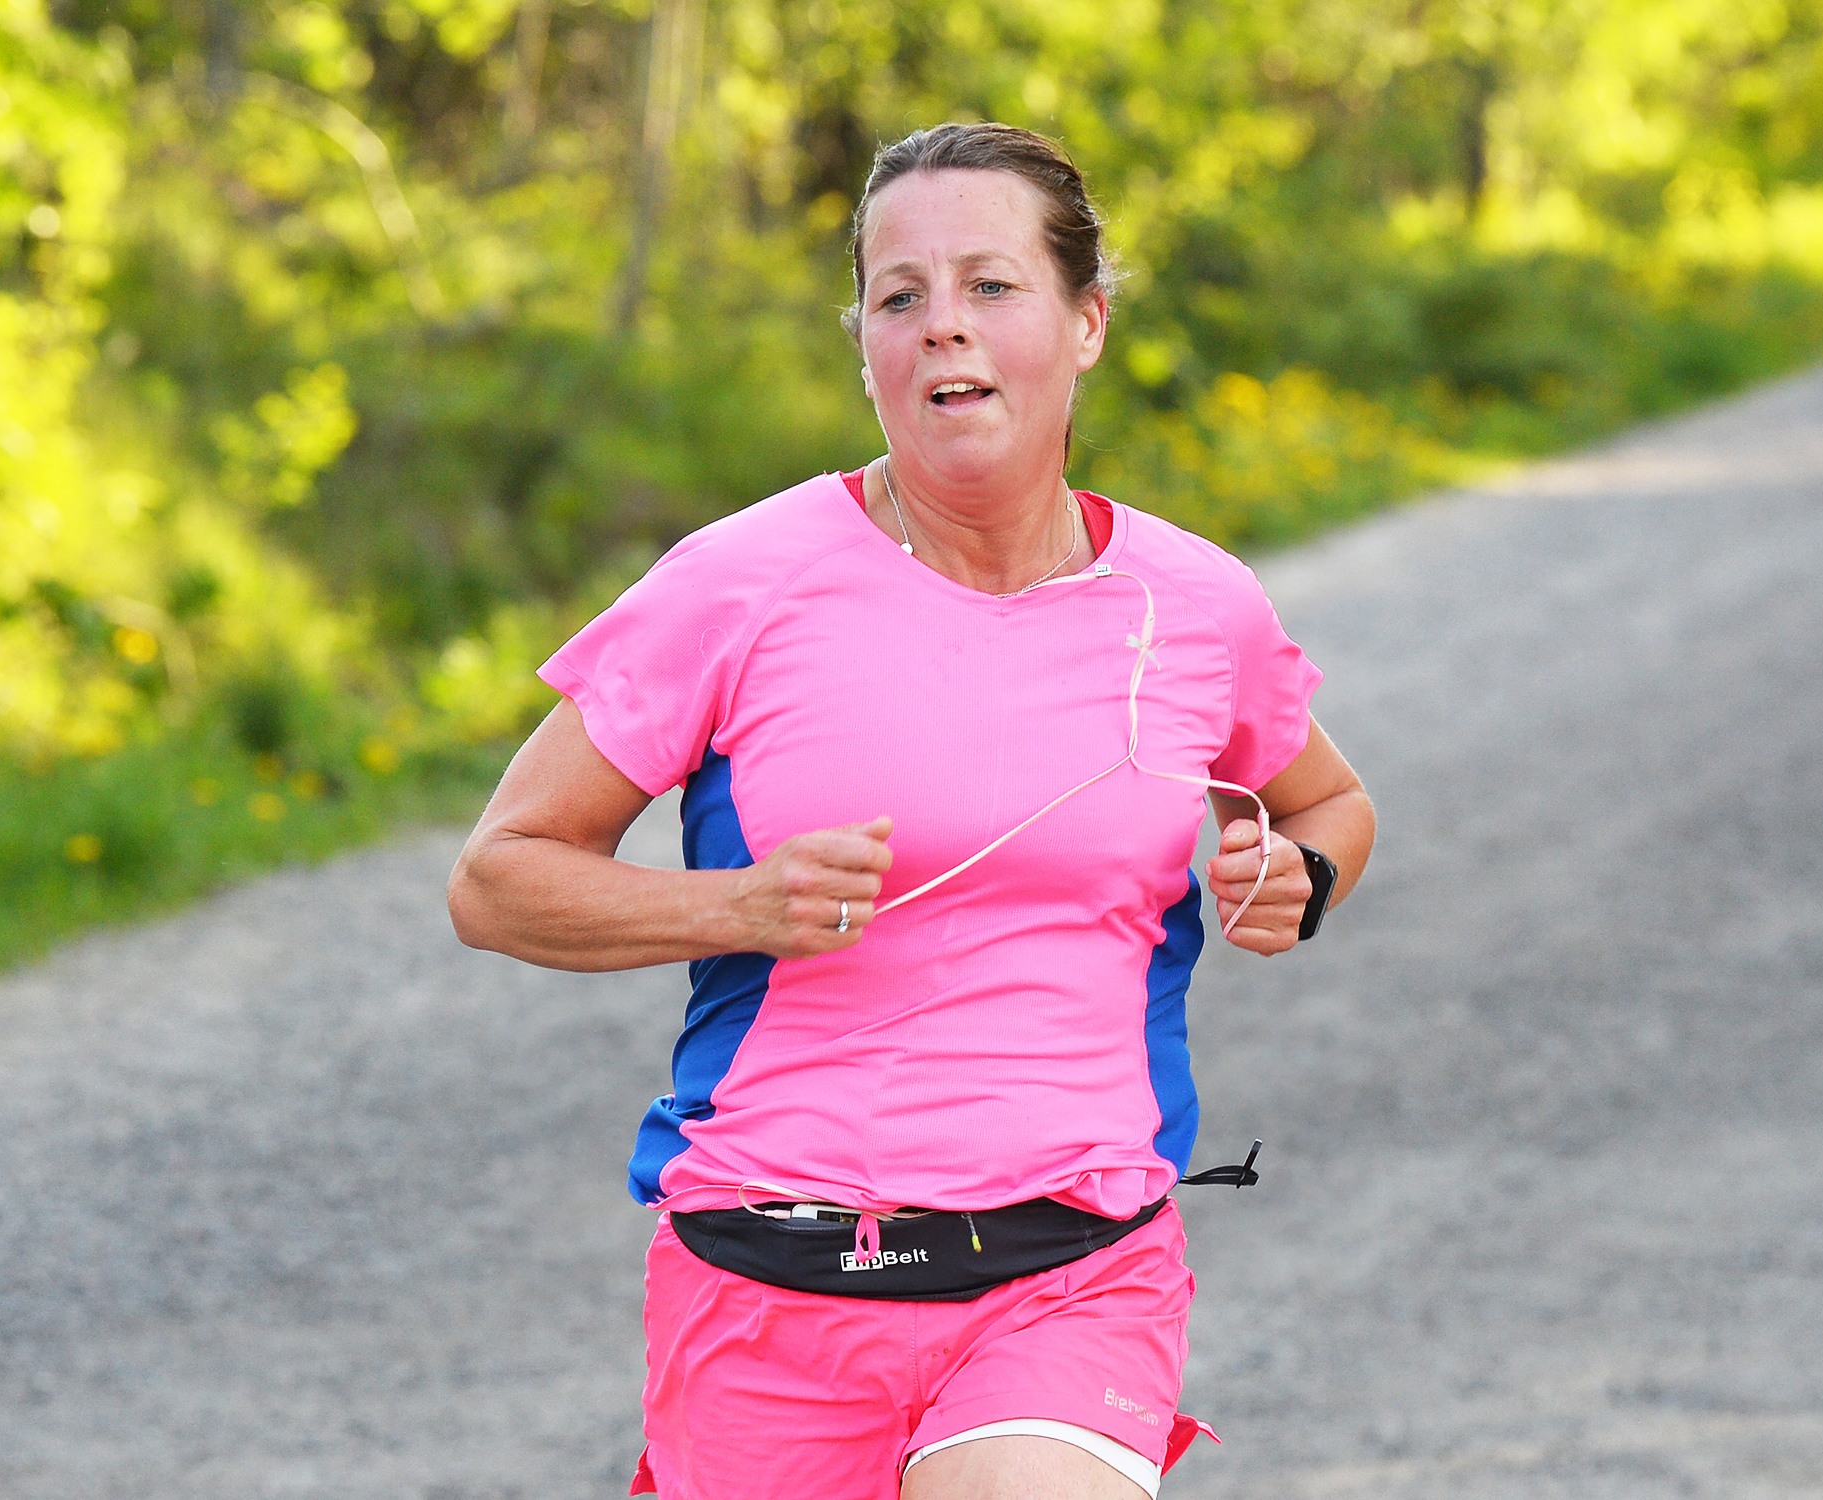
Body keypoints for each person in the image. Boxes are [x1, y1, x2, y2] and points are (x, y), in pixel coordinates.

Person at [448, 122, 1375, 1500]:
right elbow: (498, 876)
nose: (944, 328)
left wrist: (1291, 873)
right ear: (867, 344)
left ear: (1085, 324)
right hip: (767, 1278)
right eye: (901, 296)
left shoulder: (1192, 608)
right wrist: (738, 907)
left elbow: (1331, 802)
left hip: (1069, 1270)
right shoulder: (740, 581)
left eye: (991, 287)